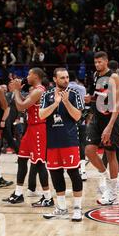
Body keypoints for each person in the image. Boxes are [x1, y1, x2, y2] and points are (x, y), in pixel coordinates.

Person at [39, 68, 85, 221]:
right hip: (53, 141)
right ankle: (61, 207)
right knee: (56, 174)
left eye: (67, 77)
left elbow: (78, 116)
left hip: (69, 140)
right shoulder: (46, 95)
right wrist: (55, 104)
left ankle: (77, 208)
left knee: (74, 173)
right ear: (54, 79)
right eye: (62, 78)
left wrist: (65, 102)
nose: (66, 80)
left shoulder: (74, 94)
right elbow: (41, 115)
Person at [3, 68, 53, 207]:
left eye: (29, 74)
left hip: (38, 128)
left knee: (38, 162)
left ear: (36, 76)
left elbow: (21, 106)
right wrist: (18, 91)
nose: (27, 76)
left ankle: (48, 197)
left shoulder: (39, 90)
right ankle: (18, 193)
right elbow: (24, 106)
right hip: (30, 128)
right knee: (22, 159)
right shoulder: (33, 90)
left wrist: (17, 90)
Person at [85, 51, 119, 205]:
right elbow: (99, 96)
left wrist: (109, 126)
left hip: (110, 119)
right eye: (95, 62)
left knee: (110, 154)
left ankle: (113, 193)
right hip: (97, 118)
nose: (97, 65)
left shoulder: (113, 77)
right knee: (89, 151)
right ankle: (106, 177)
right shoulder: (95, 75)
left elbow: (116, 104)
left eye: (100, 62)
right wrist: (90, 99)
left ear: (106, 62)